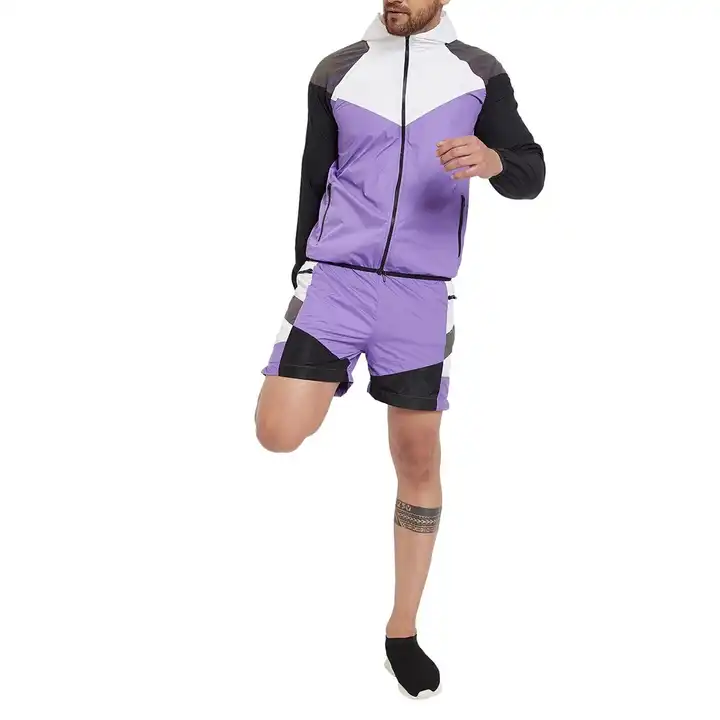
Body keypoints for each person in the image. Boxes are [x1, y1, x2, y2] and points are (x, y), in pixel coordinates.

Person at [255, 0, 545, 699]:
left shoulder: (478, 73)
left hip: (420, 294)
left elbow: (531, 174)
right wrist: (301, 270)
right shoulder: (337, 70)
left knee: (418, 461)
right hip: (338, 282)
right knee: (277, 432)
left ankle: (402, 632)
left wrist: (493, 160)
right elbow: (312, 175)